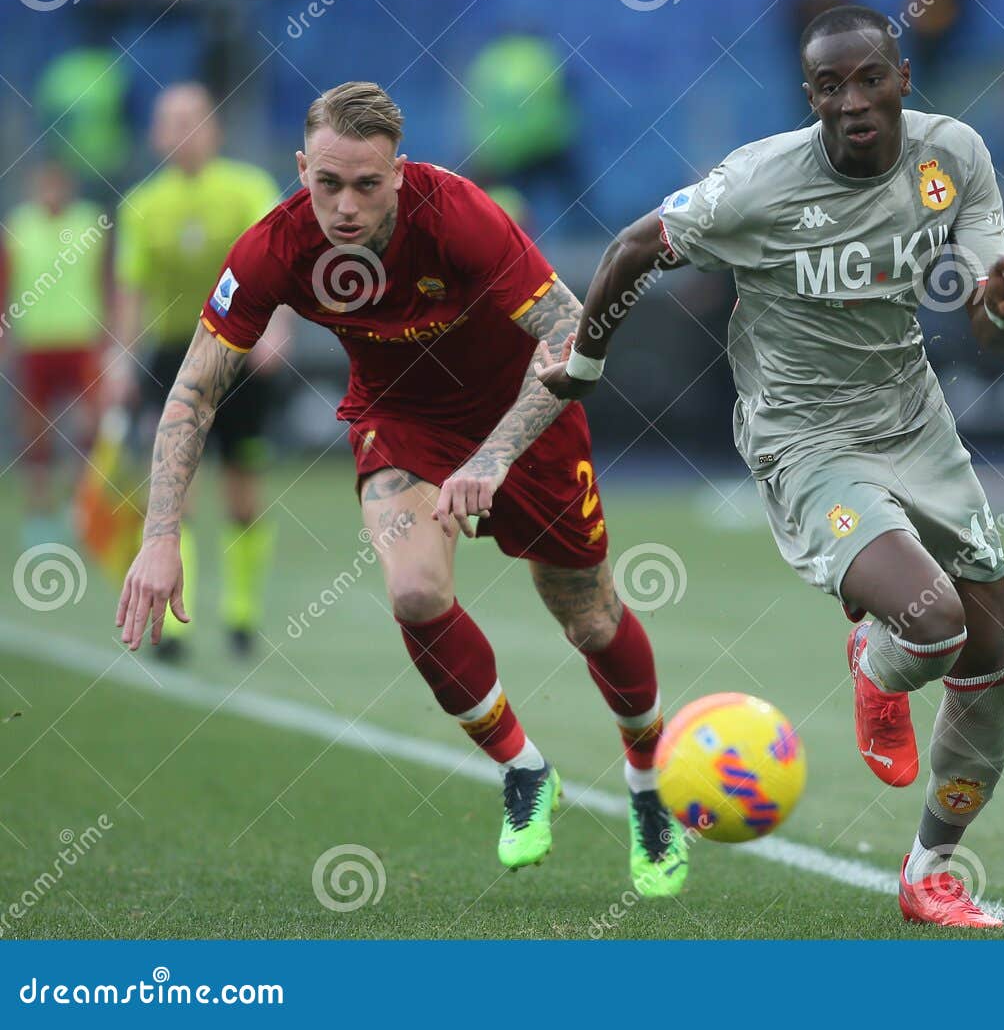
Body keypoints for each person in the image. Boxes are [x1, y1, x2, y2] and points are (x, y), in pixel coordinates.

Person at [115, 82, 688, 896]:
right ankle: (525, 770)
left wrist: (492, 456)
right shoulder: (273, 247)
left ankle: (648, 782)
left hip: (526, 412)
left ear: (400, 171)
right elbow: (194, 388)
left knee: (590, 617)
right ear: (301, 167)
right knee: (416, 589)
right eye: (328, 184)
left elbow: (569, 331)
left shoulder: (457, 213)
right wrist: (161, 534)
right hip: (402, 420)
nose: (345, 207)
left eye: (367, 185)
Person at [541, 5, 1004, 928]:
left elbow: (991, 325)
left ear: (902, 77)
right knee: (929, 625)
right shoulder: (758, 186)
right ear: (808, 94)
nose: (852, 100)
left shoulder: (953, 159)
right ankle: (878, 663)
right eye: (829, 85)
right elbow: (629, 250)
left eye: (868, 78)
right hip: (805, 440)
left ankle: (930, 867)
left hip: (916, 422)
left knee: (992, 663)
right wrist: (584, 364)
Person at [109, 84, 288, 660]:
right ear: (157, 134)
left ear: (212, 128)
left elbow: (279, 264)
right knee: (174, 492)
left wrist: (274, 332)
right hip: (172, 356)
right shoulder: (141, 203)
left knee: (241, 492)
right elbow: (130, 291)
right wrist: (118, 357)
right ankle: (174, 626)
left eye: (193, 119)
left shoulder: (247, 188)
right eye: (171, 121)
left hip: (237, 352)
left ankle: (241, 614)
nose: (183, 131)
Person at [1, 162, 109, 548]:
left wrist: (109, 338)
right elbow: (5, 282)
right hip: (35, 343)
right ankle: (39, 511)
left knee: (89, 428)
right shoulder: (18, 227)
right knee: (35, 433)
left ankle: (82, 509)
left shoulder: (88, 226)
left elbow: (107, 281)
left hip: (81, 340)